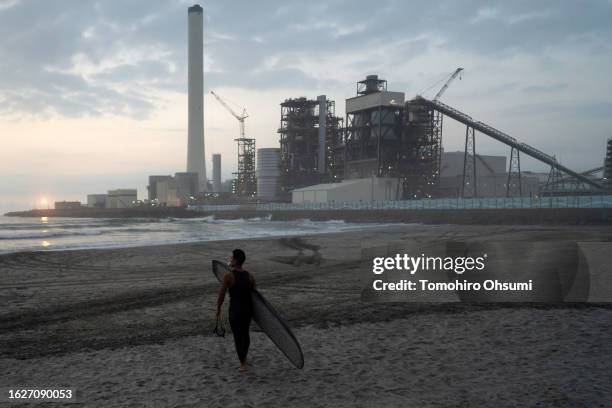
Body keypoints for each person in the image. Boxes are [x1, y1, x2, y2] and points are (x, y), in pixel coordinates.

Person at [216, 248, 256, 372]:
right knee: (245, 334)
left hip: (235, 311)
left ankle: (242, 364)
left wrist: (218, 308)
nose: (229, 259)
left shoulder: (228, 276)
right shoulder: (250, 276)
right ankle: (244, 357)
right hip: (247, 311)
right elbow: (255, 296)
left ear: (235, 260)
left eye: (231, 257)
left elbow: (221, 294)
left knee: (238, 337)